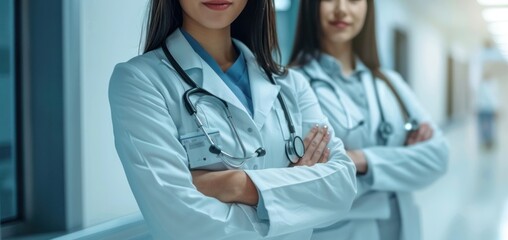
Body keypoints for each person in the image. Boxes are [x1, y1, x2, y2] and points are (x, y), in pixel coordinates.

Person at [108, 0, 357, 239]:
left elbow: (342, 188)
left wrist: (237, 185)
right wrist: (297, 198)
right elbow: (182, 225)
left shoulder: (291, 83)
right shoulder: (140, 81)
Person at [288, 0, 449, 239]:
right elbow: (305, 182)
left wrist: (359, 160)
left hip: (401, 228)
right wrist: (400, 163)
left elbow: (438, 156)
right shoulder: (292, 85)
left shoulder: (390, 83)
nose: (341, 8)